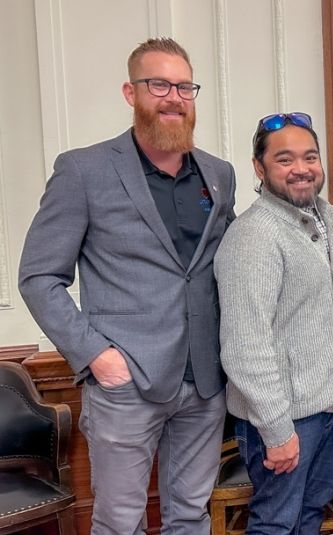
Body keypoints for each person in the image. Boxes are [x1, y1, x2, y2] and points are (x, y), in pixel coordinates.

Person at [18, 37, 236, 532]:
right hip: (126, 382)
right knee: (120, 521)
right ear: (130, 92)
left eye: (184, 86)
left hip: (204, 381)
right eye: (158, 84)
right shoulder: (84, 170)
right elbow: (37, 276)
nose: (173, 97)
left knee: (191, 515)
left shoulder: (218, 176)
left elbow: (233, 261)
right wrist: (96, 355)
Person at [214, 112, 333, 533]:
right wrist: (276, 430)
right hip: (282, 419)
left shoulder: (331, 222)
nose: (302, 169)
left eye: (310, 157)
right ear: (259, 168)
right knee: (276, 523)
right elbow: (244, 345)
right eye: (285, 160)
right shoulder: (255, 236)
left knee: (311, 514)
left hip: (328, 409)